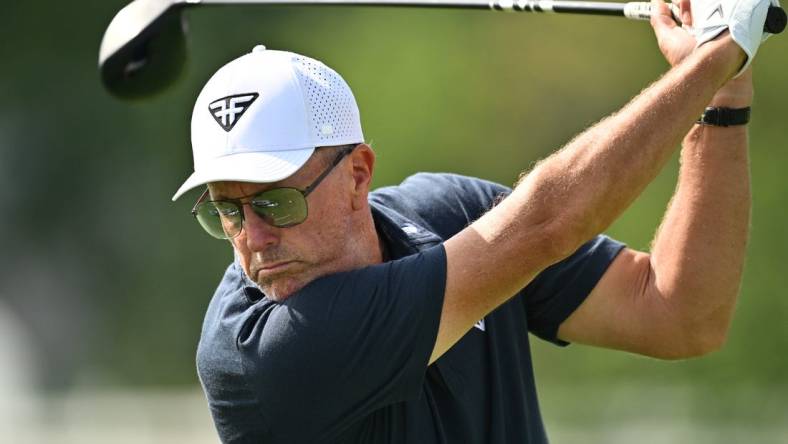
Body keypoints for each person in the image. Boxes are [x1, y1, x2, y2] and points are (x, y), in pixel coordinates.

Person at [171, 0, 776, 441]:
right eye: (226, 210)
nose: (252, 237)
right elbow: (546, 223)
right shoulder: (260, 354)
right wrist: (716, 55)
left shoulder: (450, 215)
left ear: (357, 174)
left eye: (276, 202)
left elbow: (683, 316)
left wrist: (722, 95)